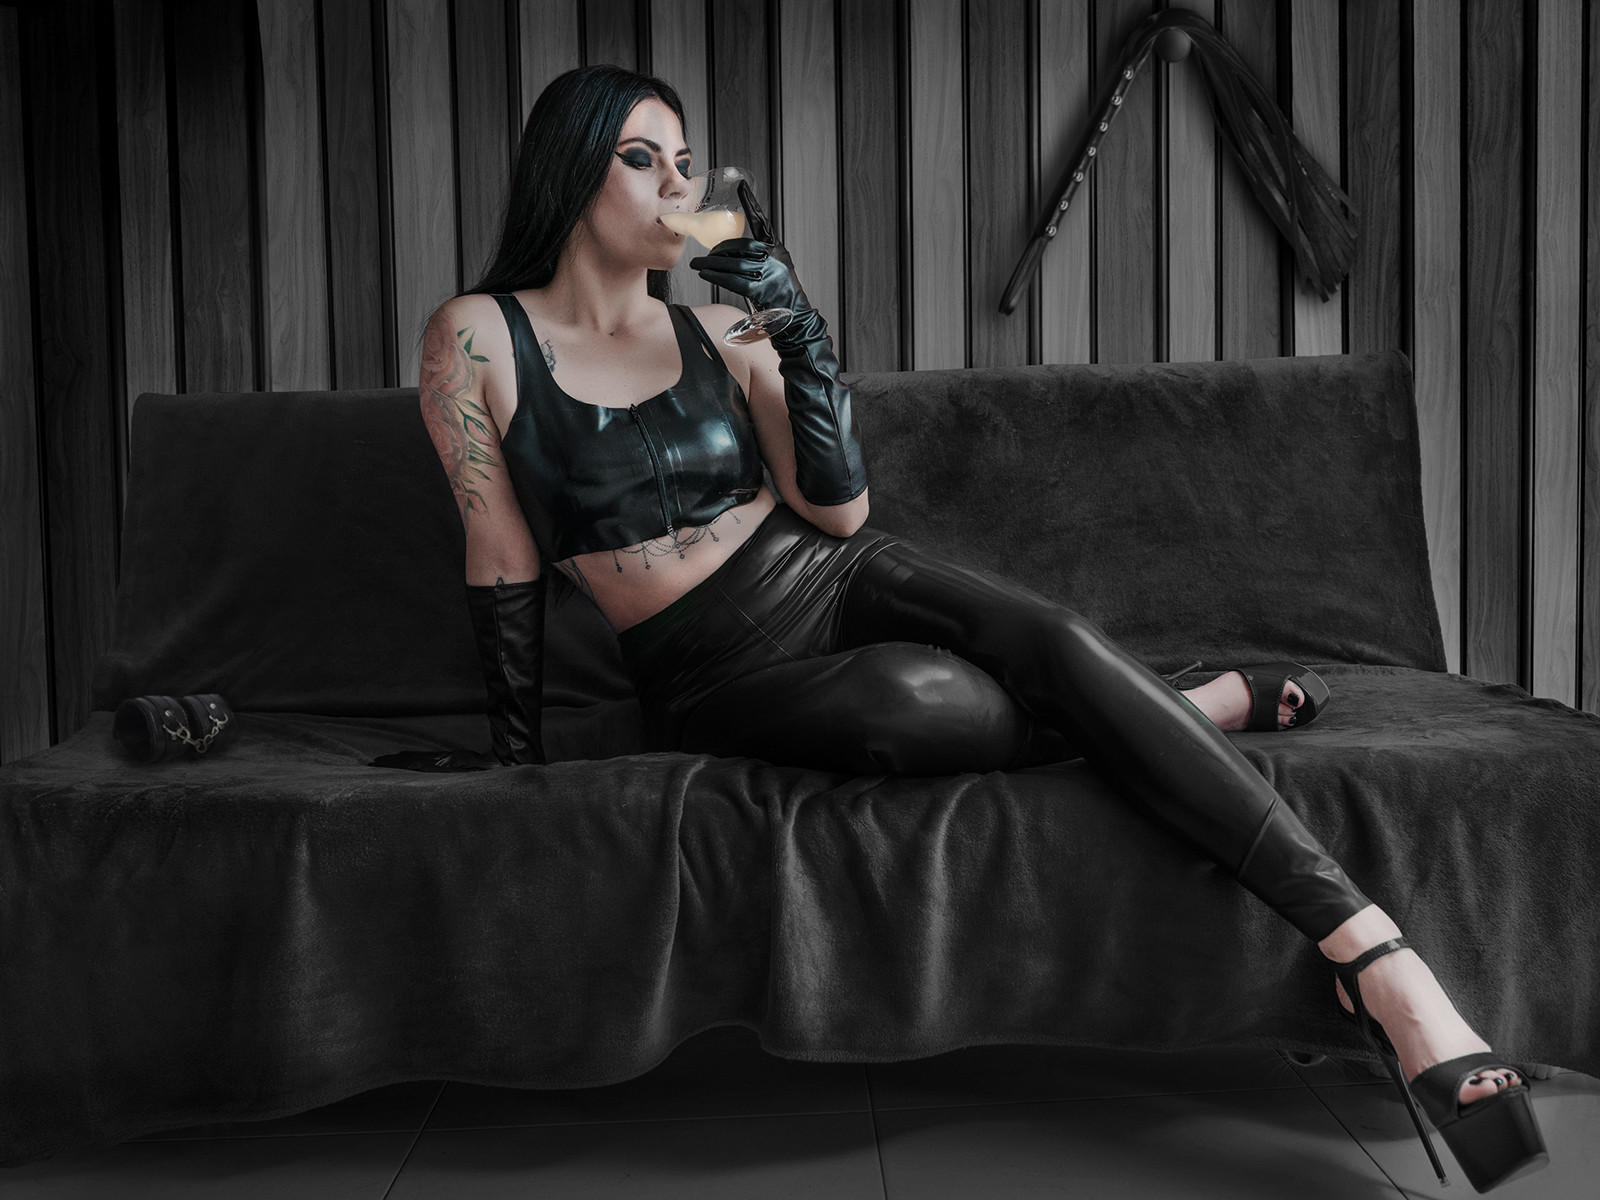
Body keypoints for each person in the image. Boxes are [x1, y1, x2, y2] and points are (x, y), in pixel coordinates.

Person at [413, 64, 1547, 1192]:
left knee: (1051, 638)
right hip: (702, 665)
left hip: (829, 572)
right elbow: (500, 550)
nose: (678, 186)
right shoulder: (476, 338)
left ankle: (1375, 958)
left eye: (684, 160)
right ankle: (1186, 705)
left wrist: (799, 332)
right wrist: (514, 752)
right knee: (926, 704)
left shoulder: (721, 328)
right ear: (570, 171)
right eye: (640, 159)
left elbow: (841, 511)